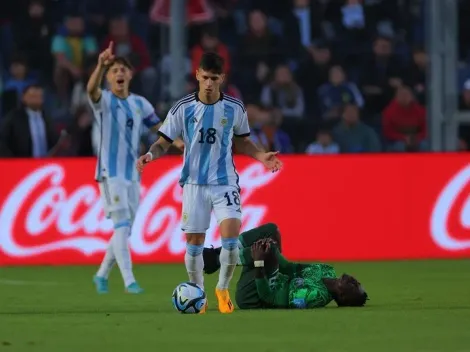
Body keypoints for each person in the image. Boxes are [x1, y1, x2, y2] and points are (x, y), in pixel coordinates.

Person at [136, 52, 282, 314]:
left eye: (214, 78)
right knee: (195, 242)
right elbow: (162, 143)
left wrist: (261, 156)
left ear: (221, 78)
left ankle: (222, 289)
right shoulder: (183, 108)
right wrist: (149, 155)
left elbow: (242, 141)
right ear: (197, 76)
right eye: (205, 78)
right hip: (194, 183)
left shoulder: (235, 108)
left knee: (231, 235)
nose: (209, 83)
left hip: (225, 182)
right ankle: (198, 291)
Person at [86, 42, 182, 294]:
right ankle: (129, 281)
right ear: (108, 77)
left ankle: (101, 275)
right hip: (110, 172)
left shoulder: (140, 103)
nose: (119, 73)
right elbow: (90, 89)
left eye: (123, 70)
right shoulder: (104, 100)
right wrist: (100, 64)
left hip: (132, 173)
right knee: (120, 224)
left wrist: (177, 141)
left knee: (124, 228)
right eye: (114, 70)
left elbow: (158, 126)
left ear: (130, 75)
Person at [203, 223, 368, 309]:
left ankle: (218, 260)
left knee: (267, 250)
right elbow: (292, 268)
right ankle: (221, 254)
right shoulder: (327, 270)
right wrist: (273, 249)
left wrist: (260, 262)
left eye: (354, 287)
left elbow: (269, 297)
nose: (355, 281)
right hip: (273, 275)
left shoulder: (315, 296)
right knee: (272, 230)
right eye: (358, 282)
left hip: (253, 297)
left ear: (343, 297)